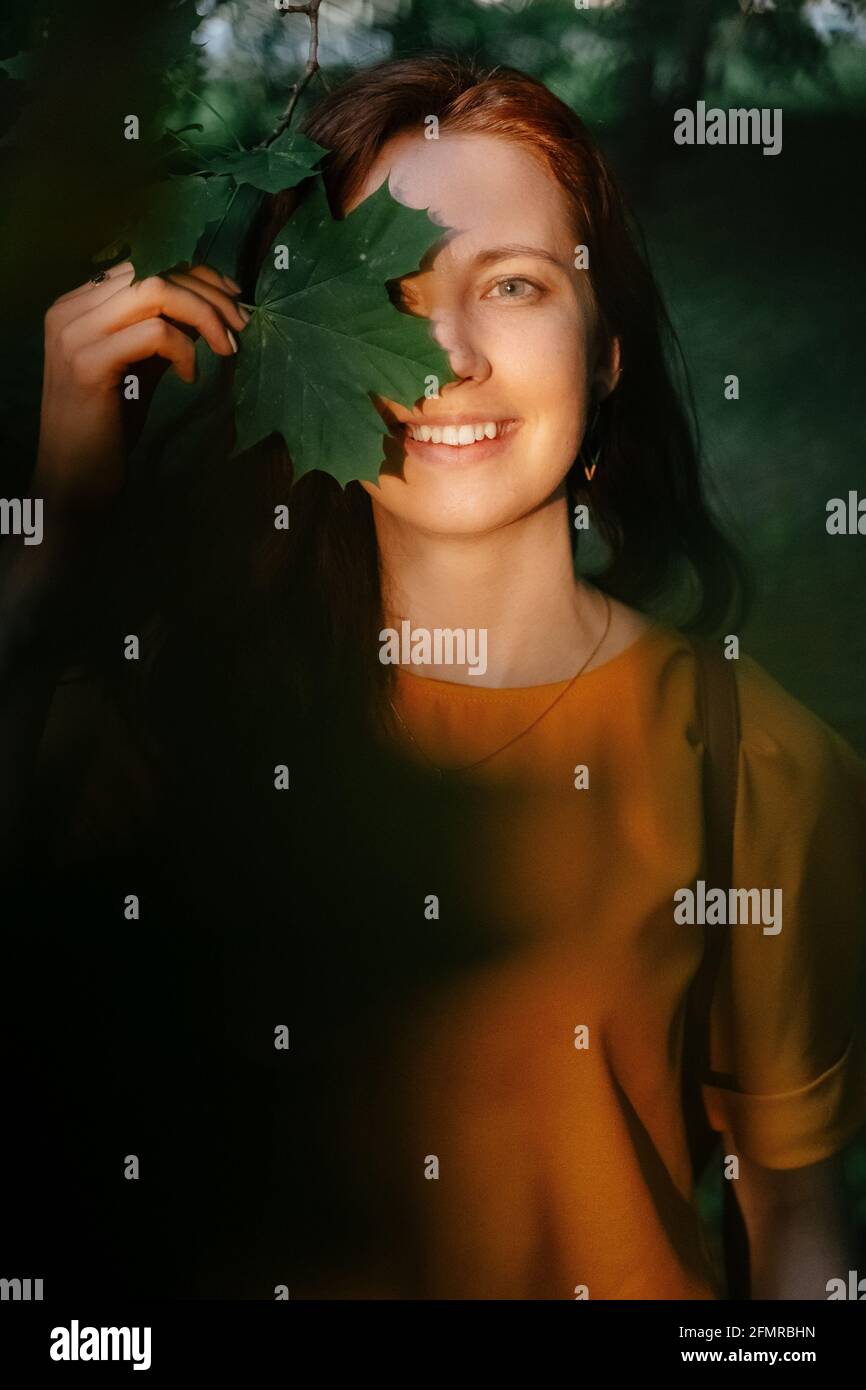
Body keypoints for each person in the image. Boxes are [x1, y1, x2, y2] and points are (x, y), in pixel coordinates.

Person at [3, 56, 865, 1300]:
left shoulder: (754, 764)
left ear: (606, 346)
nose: (446, 353)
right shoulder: (167, 719)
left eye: (510, 284)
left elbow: (794, 1236)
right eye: (386, 295)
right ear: (284, 342)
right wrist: (54, 548)